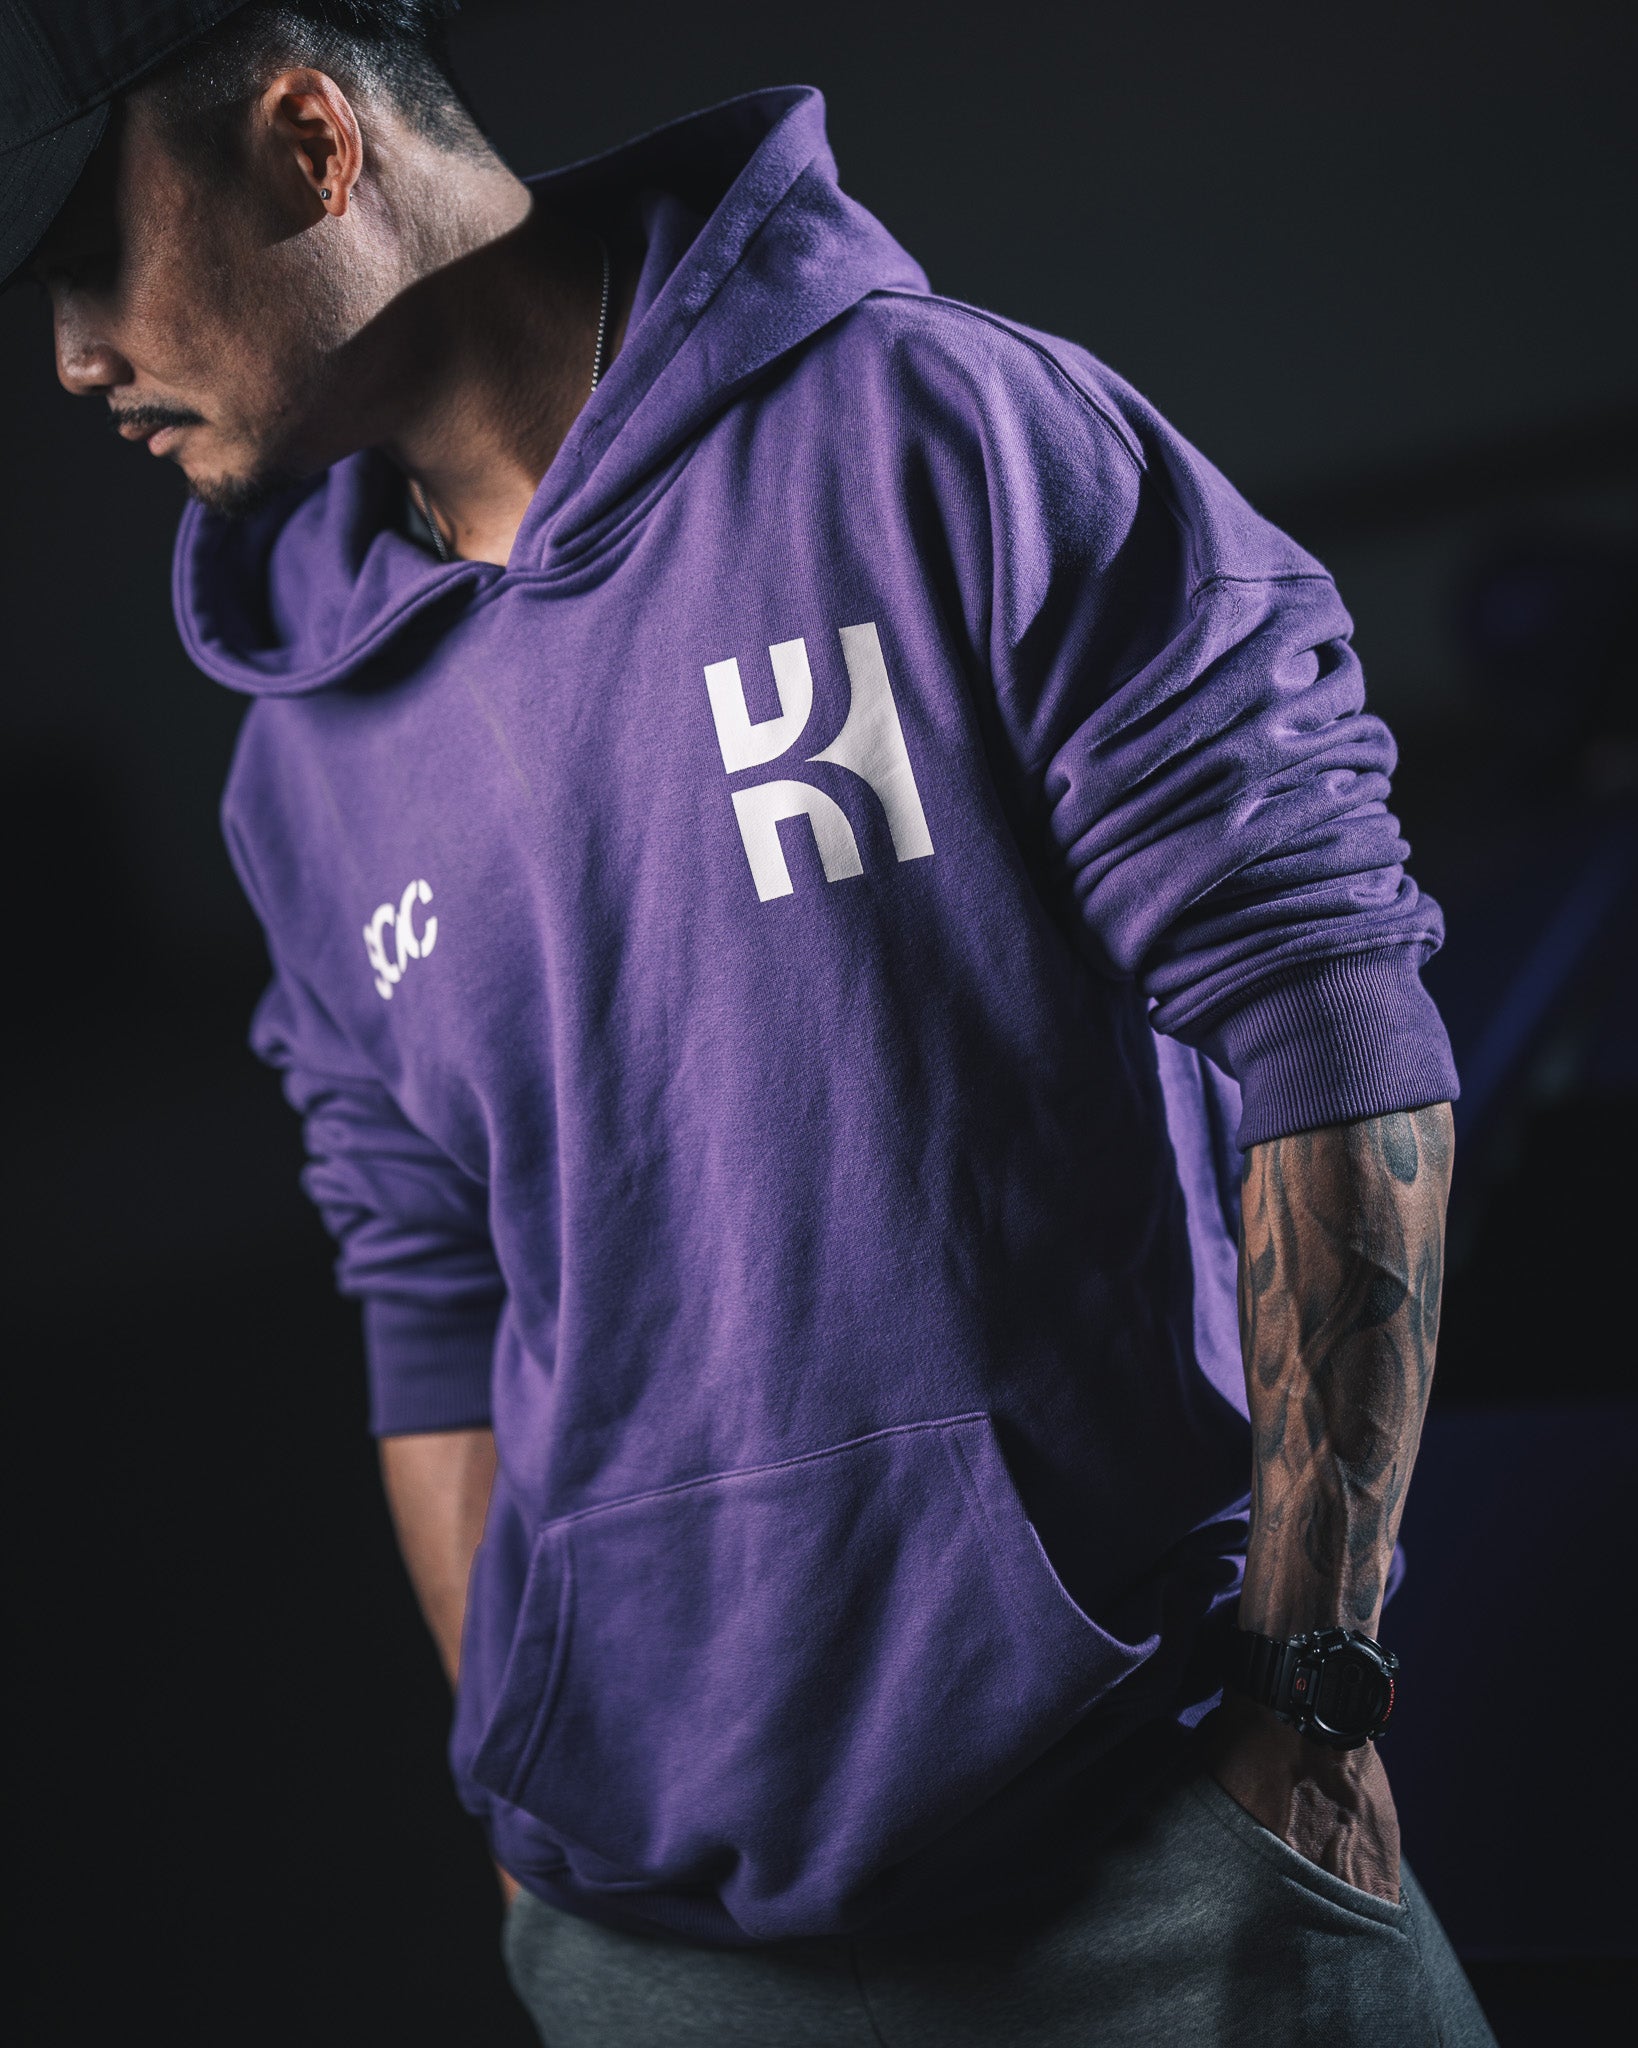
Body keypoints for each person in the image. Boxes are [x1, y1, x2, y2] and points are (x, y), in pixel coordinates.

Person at [4, 3, 1498, 2040]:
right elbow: (429, 1290)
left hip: (1157, 1849)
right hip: (644, 1937)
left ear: (309, 144)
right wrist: (518, 1795)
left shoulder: (944, 436)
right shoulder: (299, 767)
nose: (72, 353)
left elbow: (1322, 1010)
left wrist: (1308, 1692)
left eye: (91, 255)